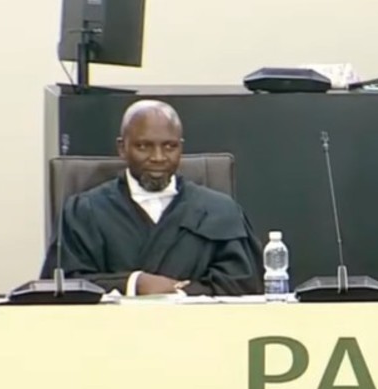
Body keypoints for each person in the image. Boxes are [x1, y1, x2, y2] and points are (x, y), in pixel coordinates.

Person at [42, 100, 263, 296]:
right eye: (143, 146)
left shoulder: (221, 211)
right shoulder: (84, 211)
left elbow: (243, 284)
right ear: (122, 148)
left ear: (180, 147)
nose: (158, 157)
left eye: (169, 147)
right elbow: (64, 286)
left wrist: (179, 293)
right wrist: (134, 284)